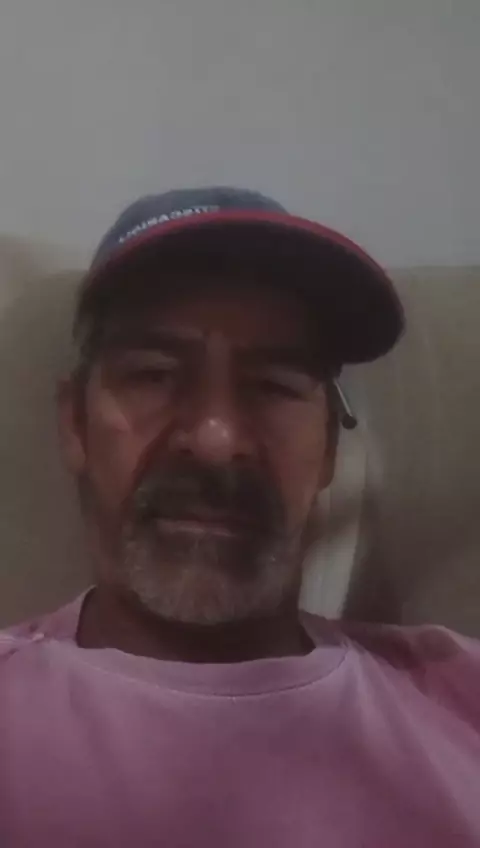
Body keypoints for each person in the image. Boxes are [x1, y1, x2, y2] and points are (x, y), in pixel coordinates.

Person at [0, 187, 478, 847]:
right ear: (74, 424)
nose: (217, 440)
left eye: (274, 386)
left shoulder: (458, 695)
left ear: (329, 449)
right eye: (154, 375)